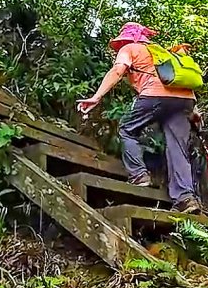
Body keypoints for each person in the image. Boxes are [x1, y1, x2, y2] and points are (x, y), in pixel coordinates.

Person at [77, 22, 201, 214]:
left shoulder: (130, 48)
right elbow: (177, 80)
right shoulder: (160, 52)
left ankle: (139, 175)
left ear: (126, 38)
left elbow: (118, 70)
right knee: (178, 148)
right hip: (185, 101)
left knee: (127, 129)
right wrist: (192, 112)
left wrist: (96, 97)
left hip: (154, 96)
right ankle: (186, 198)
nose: (118, 47)